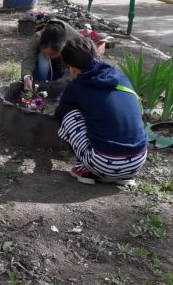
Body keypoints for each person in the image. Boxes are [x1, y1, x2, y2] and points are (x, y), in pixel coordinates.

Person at [55, 37, 147, 186]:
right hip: (137, 160)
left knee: (64, 110)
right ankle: (123, 176)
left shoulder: (76, 87)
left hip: (104, 163)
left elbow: (60, 111)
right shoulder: (121, 78)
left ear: (72, 69)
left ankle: (85, 169)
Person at [21, 20, 81, 91]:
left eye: (52, 54)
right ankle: (39, 85)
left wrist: (59, 84)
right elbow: (28, 58)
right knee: (42, 59)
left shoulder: (74, 42)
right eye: (44, 52)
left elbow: (74, 69)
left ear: (63, 48)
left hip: (63, 65)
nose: (47, 56)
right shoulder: (38, 37)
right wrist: (27, 77)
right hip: (47, 68)